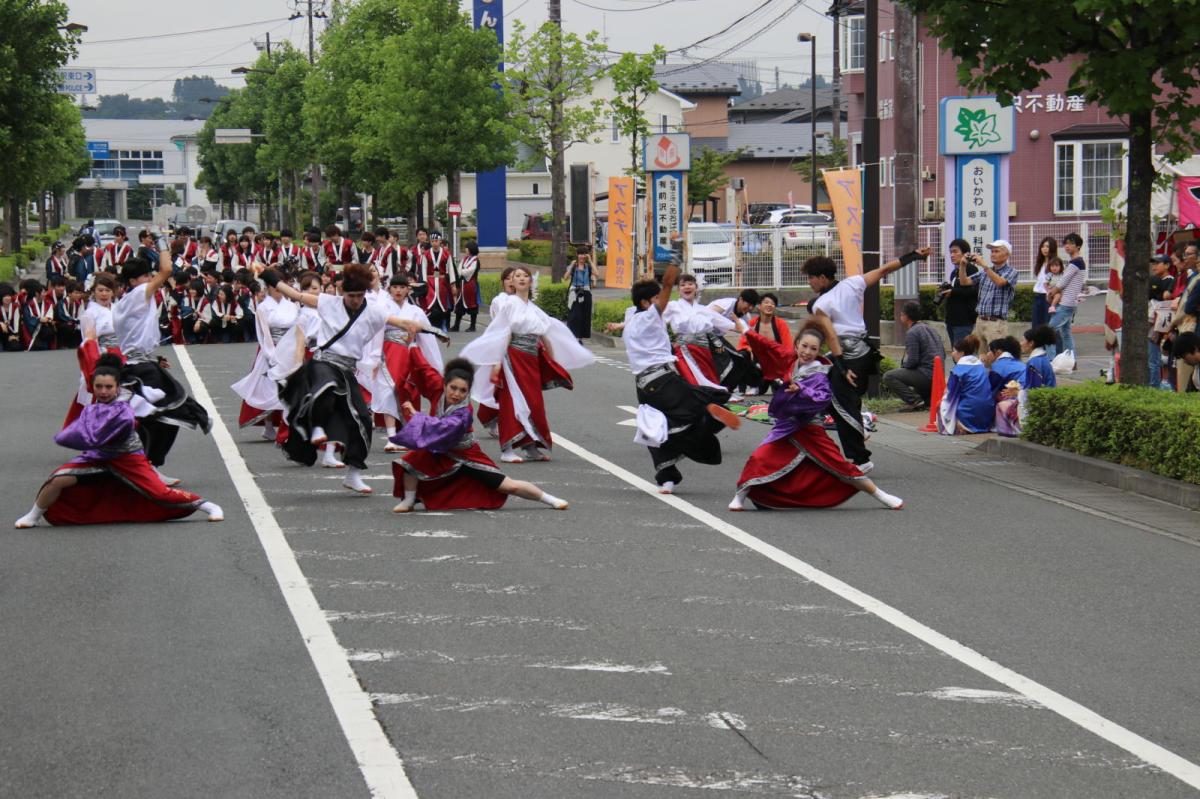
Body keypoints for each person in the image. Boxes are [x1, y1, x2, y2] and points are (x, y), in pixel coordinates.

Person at [263, 264, 426, 493]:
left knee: (362, 420)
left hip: (348, 369)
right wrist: (270, 277)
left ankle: (353, 474)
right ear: (342, 292)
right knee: (326, 389)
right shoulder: (329, 303)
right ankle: (317, 427)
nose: (356, 300)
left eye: (360, 295)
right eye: (351, 296)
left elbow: (402, 322)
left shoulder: (373, 310)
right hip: (324, 362)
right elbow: (296, 295)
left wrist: (432, 331)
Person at [14, 354, 223, 529]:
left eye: (108, 387)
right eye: (99, 387)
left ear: (117, 387)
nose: (103, 391)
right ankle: (33, 515)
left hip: (128, 457)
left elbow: (101, 433)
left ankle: (207, 505)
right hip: (98, 457)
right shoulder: (92, 407)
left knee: (160, 493)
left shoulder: (123, 410)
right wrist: (69, 437)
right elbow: (81, 432)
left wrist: (81, 436)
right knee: (57, 479)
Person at [729, 323, 904, 511]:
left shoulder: (820, 373)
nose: (807, 352)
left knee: (840, 466)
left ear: (818, 351)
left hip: (810, 428)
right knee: (759, 458)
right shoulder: (790, 359)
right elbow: (768, 346)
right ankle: (740, 496)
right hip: (785, 427)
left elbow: (823, 398)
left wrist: (801, 389)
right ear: (797, 344)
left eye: (813, 349)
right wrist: (746, 330)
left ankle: (881, 495)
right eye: (804, 346)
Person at [606, 265, 741, 494]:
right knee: (702, 401)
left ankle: (667, 478)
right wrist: (669, 278)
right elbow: (667, 290)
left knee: (654, 430)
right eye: (657, 299)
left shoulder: (632, 320)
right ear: (646, 303)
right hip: (663, 379)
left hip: (643, 387)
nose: (662, 303)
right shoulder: (650, 316)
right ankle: (710, 413)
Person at [805, 247, 932, 472]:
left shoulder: (820, 304)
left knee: (842, 405)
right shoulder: (853, 283)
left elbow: (831, 336)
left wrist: (841, 367)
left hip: (849, 358)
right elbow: (884, 270)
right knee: (830, 394)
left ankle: (861, 459)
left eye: (811, 278)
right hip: (864, 354)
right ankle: (856, 432)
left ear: (822, 278)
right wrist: (913, 256)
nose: (809, 283)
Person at [390, 358, 569, 513]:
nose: (456, 394)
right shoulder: (437, 388)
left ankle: (549, 499)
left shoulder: (464, 412)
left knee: (509, 486)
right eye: (453, 388)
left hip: (466, 454)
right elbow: (423, 367)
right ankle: (409, 500)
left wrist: (416, 415)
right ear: (444, 384)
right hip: (439, 449)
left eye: (463, 390)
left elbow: (443, 427)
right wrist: (413, 342)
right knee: (409, 462)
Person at [459, 265, 593, 463]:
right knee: (512, 402)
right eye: (517, 276)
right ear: (512, 282)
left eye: (525, 276)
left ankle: (531, 448)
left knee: (534, 403)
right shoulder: (509, 304)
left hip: (531, 360)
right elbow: (504, 333)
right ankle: (507, 450)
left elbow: (545, 335)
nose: (521, 278)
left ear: (531, 281)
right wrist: (497, 363)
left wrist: (553, 361)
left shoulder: (534, 309)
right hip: (513, 358)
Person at [113, 247, 212, 483]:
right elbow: (167, 270)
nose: (150, 279)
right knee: (169, 414)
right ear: (133, 281)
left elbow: (137, 337)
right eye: (146, 276)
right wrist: (164, 247)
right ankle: (145, 466)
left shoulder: (126, 301)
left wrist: (154, 359)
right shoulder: (138, 294)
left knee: (163, 417)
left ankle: (146, 466)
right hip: (139, 369)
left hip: (141, 364)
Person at [366, 274, 444, 452]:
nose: (398, 291)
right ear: (389, 289)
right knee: (387, 392)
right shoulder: (382, 308)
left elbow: (426, 337)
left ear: (408, 290)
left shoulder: (416, 311)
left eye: (402, 287)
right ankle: (391, 437)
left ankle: (408, 435)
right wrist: (374, 358)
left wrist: (434, 363)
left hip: (410, 354)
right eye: (395, 287)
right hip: (388, 354)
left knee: (409, 393)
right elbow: (375, 333)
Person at [231, 273, 300, 441]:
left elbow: (298, 329)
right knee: (269, 389)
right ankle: (269, 427)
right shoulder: (263, 307)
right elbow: (264, 334)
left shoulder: (293, 306)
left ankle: (287, 426)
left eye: (281, 285)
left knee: (291, 388)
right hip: (272, 349)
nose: (278, 289)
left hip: (290, 349)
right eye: (274, 286)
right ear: (268, 287)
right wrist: (271, 355)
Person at [64, 273, 123, 428]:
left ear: (113, 292)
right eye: (100, 290)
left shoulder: (117, 309)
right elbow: (89, 341)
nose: (104, 294)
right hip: (101, 356)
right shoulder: (90, 314)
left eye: (108, 290)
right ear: (93, 292)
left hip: (120, 355)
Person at [663, 273, 736, 393]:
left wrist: (745, 329)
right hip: (684, 350)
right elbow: (655, 318)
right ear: (678, 290)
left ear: (696, 288)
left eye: (690, 284)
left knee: (708, 377)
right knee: (691, 380)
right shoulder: (673, 306)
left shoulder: (704, 309)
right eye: (683, 285)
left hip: (703, 351)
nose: (687, 287)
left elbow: (724, 323)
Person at [882, 301, 945, 410]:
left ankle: (915, 401)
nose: (901, 316)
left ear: (907, 317)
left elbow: (913, 361)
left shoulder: (912, 332)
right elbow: (943, 354)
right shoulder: (931, 329)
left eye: (902, 314)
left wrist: (903, 367)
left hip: (926, 375)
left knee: (889, 376)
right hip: (938, 375)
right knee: (915, 381)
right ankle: (926, 400)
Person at [962, 239, 1019, 344]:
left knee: (996, 353)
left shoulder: (1012, 271)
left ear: (1007, 255)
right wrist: (963, 265)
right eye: (992, 251)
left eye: (996, 251)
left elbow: (1000, 282)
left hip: (996, 323)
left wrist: (984, 265)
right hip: (980, 321)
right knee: (979, 354)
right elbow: (964, 282)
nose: (993, 254)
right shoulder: (985, 271)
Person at [936, 334, 994, 435]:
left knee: (940, 404)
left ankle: (961, 426)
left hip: (968, 412)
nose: (952, 354)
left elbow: (950, 396)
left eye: (954, 351)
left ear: (961, 353)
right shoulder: (981, 366)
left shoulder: (958, 371)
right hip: (988, 411)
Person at [737, 292, 791, 392]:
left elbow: (788, 349)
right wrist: (749, 349)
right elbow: (742, 344)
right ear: (759, 306)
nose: (769, 305)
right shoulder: (752, 323)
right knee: (741, 355)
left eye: (772, 303)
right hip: (758, 367)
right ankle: (742, 391)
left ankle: (777, 383)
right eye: (766, 302)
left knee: (779, 391)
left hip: (776, 367)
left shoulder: (781, 324)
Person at [1046, 232, 1086, 359]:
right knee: (1066, 333)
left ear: (1078, 246)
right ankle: (1071, 361)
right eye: (1066, 243)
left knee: (1049, 332)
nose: (1067, 246)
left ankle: (1051, 361)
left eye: (1071, 243)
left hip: (1066, 303)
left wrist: (1052, 292)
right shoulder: (1076, 262)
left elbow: (1063, 281)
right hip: (1070, 303)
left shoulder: (1076, 263)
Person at [939, 238, 980, 347]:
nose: (952, 255)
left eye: (955, 251)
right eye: (950, 252)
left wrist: (953, 292)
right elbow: (957, 289)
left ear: (965, 253)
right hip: (952, 320)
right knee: (955, 351)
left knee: (962, 351)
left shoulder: (971, 269)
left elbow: (974, 291)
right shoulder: (954, 272)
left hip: (964, 321)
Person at [986, 336, 1028, 437]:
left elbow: (990, 392)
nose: (987, 354)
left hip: (1019, 398)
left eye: (989, 351)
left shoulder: (998, 366)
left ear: (998, 352)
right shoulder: (1017, 362)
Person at [1148, 255, 1177, 387]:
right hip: (1151, 321)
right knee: (1151, 358)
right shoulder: (1152, 280)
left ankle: (1154, 387)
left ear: (1167, 265)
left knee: (1154, 359)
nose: (1154, 266)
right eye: (1153, 264)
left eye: (1157, 263)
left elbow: (1166, 298)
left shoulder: (1171, 280)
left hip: (1162, 324)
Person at [565, 244, 595, 341]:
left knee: (584, 316)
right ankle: (572, 337)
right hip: (574, 293)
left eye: (584, 254)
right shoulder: (574, 266)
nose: (582, 256)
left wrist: (590, 261)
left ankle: (580, 339)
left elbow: (597, 274)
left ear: (587, 255)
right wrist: (571, 266)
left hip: (586, 292)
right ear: (577, 255)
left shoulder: (588, 266)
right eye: (580, 254)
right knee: (574, 316)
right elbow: (565, 277)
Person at [451, 241, 482, 333]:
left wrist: (461, 271)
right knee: (459, 304)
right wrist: (461, 271)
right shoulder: (465, 259)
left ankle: (472, 326)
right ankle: (456, 325)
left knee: (472, 305)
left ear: (471, 249)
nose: (465, 250)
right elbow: (459, 269)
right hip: (462, 285)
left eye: (467, 248)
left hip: (471, 285)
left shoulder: (476, 261)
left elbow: (469, 271)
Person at [1031, 236, 1058, 330]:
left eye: (1047, 246)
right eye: (1043, 246)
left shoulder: (1056, 264)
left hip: (1049, 298)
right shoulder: (1040, 263)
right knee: (1036, 327)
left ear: (1052, 248)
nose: (1045, 249)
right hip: (1038, 297)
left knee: (1049, 327)